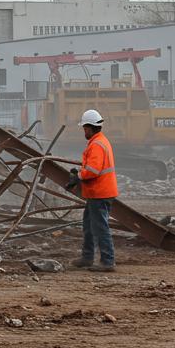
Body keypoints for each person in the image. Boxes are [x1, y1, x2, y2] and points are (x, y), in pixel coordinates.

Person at [70, 109, 117, 272]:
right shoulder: (99, 141)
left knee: (100, 227)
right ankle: (87, 257)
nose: (84, 131)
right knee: (89, 226)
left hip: (100, 193)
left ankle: (107, 261)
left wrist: (79, 176)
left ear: (89, 127)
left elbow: (93, 170)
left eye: (84, 128)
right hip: (97, 193)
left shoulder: (97, 144)